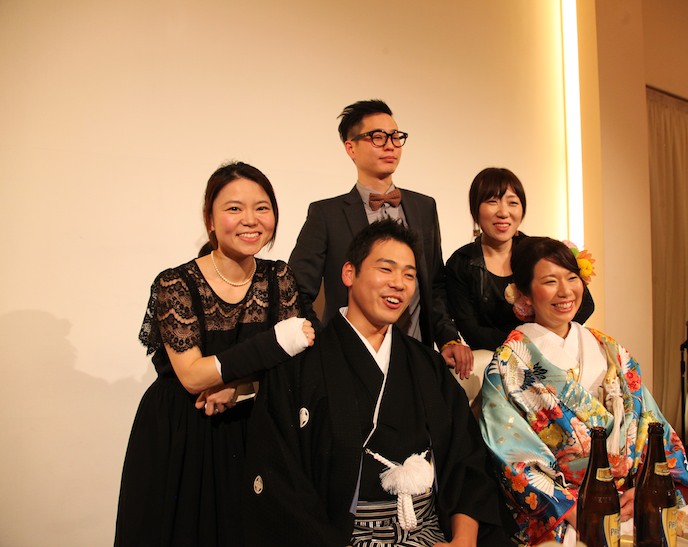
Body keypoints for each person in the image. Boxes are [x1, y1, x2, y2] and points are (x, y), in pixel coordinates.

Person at [243, 219, 512, 547]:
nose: (399, 284)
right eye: (386, 269)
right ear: (349, 274)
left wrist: (463, 541)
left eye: (409, 275)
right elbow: (280, 481)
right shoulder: (299, 367)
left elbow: (466, 459)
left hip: (432, 533)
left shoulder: (427, 364)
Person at [115, 162, 315, 546]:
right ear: (210, 219)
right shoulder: (175, 284)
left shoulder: (280, 279)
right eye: (234, 208)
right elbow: (193, 376)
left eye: (262, 207)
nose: (250, 219)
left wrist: (238, 386)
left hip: (256, 430)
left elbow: (299, 367)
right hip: (184, 432)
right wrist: (275, 343)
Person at [479, 237, 688, 546]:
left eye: (572, 278)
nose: (565, 291)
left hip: (631, 498)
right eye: (550, 281)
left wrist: (646, 488)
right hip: (569, 512)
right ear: (525, 294)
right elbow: (511, 454)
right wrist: (576, 510)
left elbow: (651, 422)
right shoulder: (508, 364)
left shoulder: (609, 348)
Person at [289, 99, 473, 378]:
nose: (390, 145)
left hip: (415, 357)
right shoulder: (326, 214)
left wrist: (448, 338)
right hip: (350, 361)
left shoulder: (424, 207)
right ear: (351, 148)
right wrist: (326, 343)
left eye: (396, 137)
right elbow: (295, 291)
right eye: (377, 137)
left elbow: (434, 285)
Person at [446, 168, 595, 352]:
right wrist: (524, 346)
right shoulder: (461, 263)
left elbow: (586, 305)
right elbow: (472, 332)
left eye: (513, 203)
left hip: (551, 353)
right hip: (496, 359)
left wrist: (546, 341)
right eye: (492, 201)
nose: (503, 212)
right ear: (475, 210)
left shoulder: (540, 252)